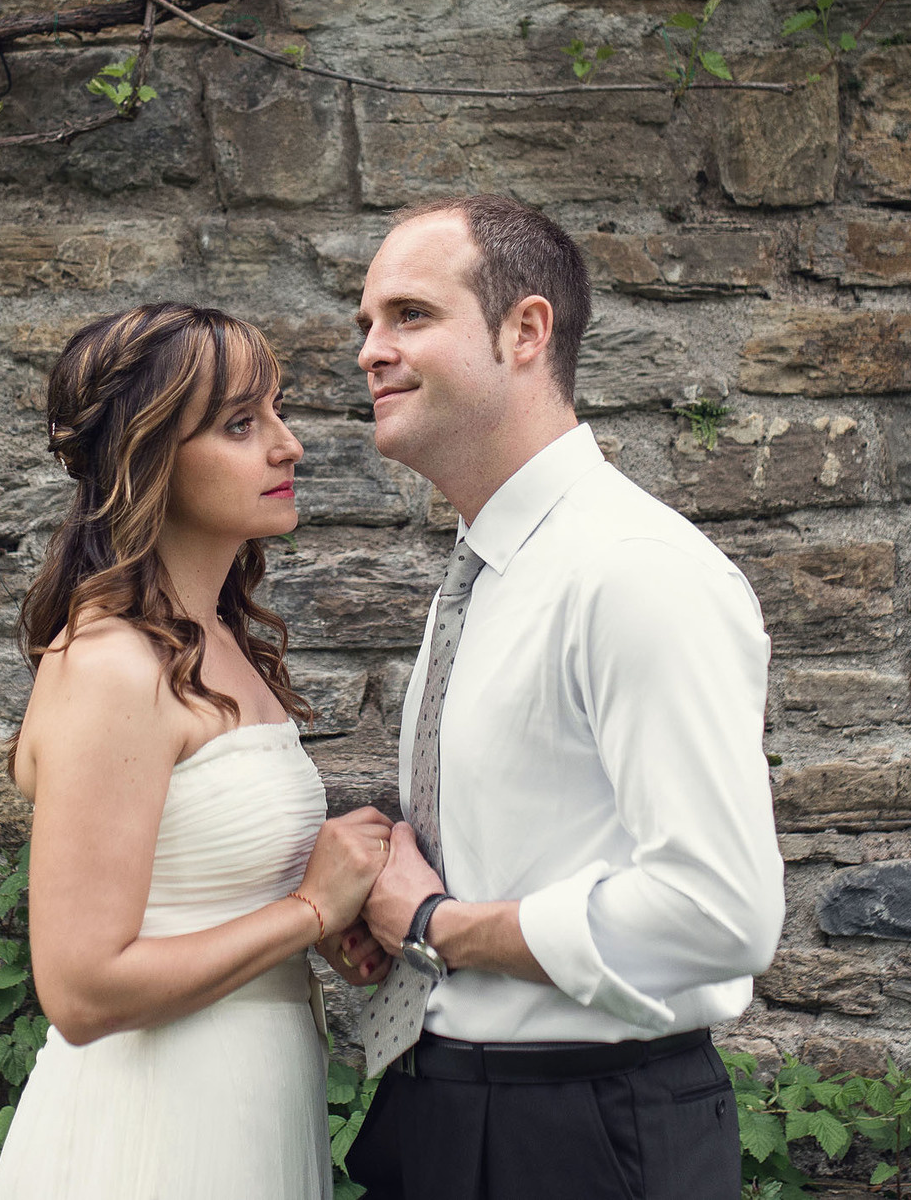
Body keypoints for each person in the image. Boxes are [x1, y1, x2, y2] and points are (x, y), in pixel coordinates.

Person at [336, 195, 786, 1200]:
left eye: (411, 315)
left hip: (582, 1138)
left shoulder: (633, 570)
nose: (370, 349)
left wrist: (436, 924)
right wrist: (378, 895)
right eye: (366, 322)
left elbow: (720, 912)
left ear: (525, 331)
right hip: (444, 1111)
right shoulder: (485, 572)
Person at [0, 303, 395, 1200]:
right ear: (149, 458)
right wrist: (308, 912)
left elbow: (202, 894)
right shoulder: (113, 663)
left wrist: (319, 927)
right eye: (241, 425)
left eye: (277, 412)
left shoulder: (213, 639)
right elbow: (83, 991)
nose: (288, 446)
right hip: (153, 1133)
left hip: (245, 1106)